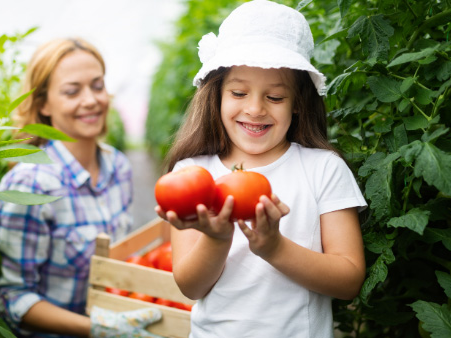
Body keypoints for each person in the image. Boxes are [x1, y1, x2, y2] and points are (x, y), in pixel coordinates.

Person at [154, 1, 368, 337]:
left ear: (298, 103)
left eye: (276, 97)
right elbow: (190, 287)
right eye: (239, 92)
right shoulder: (191, 173)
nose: (255, 109)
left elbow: (349, 280)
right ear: (217, 96)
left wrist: (274, 247)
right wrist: (217, 237)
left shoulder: (324, 169)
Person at [0, 37, 161, 338]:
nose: (91, 99)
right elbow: (12, 298)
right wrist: (95, 329)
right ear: (43, 104)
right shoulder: (31, 184)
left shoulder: (118, 166)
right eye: (72, 91)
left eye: (97, 86)